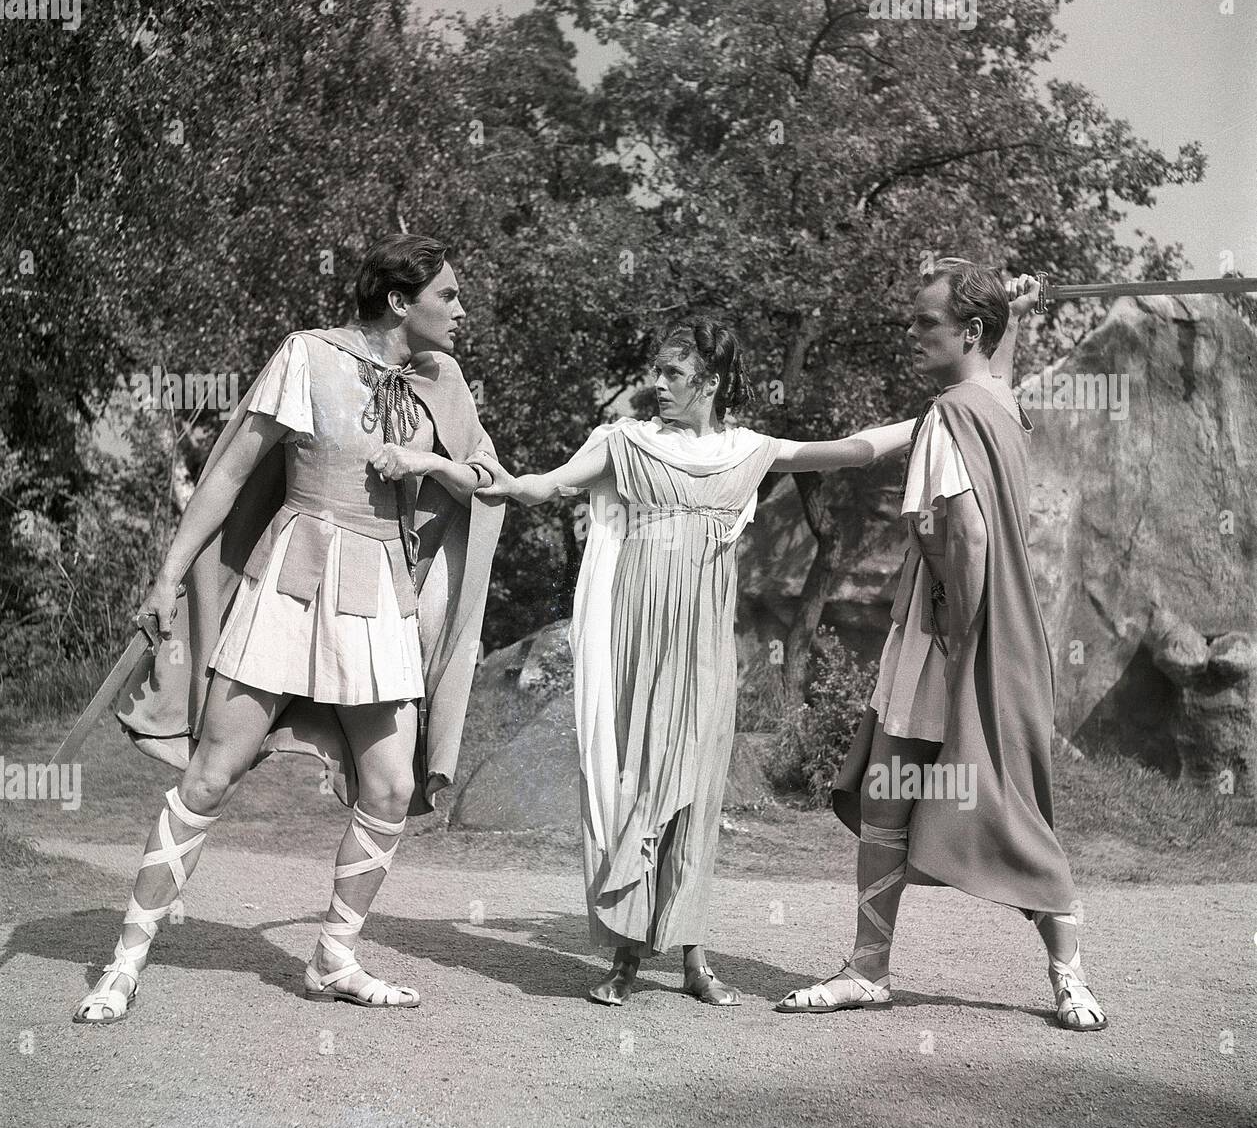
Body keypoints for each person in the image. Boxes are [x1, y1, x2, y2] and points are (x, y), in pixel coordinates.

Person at [73, 234, 503, 1024]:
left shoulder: (444, 381)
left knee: (392, 786)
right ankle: (123, 962)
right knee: (210, 775)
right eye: (447, 296)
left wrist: (430, 468)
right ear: (399, 302)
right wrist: (168, 576)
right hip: (290, 585)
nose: (461, 310)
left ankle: (333, 957)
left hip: (381, 596)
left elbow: (487, 477)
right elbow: (232, 471)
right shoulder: (307, 357)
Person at [470, 317, 916, 1006]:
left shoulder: (748, 451)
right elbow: (546, 485)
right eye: (656, 370)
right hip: (635, 633)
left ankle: (692, 956)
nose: (656, 384)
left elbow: (850, 452)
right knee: (633, 779)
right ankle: (623, 955)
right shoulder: (626, 443)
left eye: (673, 374)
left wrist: (931, 419)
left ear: (709, 381)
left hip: (704, 641)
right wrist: (494, 479)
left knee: (697, 789)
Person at [775, 265, 1107, 1031]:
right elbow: (996, 375)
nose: (913, 336)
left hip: (953, 637)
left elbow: (965, 535)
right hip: (988, 635)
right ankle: (873, 969)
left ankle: (1065, 976)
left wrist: (960, 642)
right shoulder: (995, 402)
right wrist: (1015, 316)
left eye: (927, 323)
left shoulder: (946, 417)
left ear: (968, 333)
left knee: (1005, 809)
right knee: (908, 794)